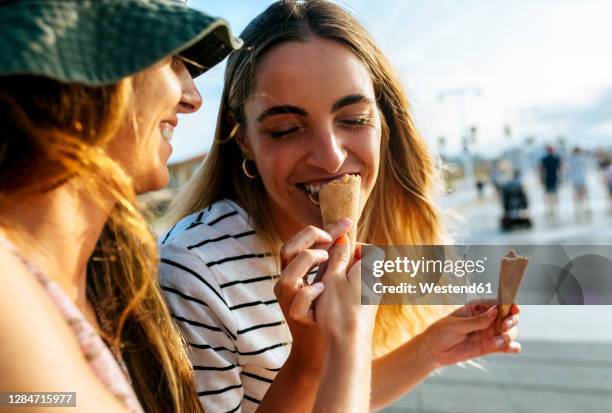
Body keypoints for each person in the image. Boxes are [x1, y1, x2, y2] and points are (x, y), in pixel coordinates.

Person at [160, 1, 521, 411]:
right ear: (242, 138)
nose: (330, 158)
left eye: (353, 120)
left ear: (384, 125)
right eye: (286, 129)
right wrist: (312, 359)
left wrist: (427, 351)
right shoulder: (193, 272)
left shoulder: (353, 247)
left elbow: (333, 397)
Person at [0, 1, 241, 412]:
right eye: (171, 59)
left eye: (356, 120)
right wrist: (341, 345)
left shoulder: (117, 282)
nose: (193, 98)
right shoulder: (198, 261)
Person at [567, 147, 590, 219]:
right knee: (584, 194)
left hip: (574, 179)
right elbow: (586, 168)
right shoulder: (581, 158)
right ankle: (585, 207)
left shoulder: (570, 159)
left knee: (576, 194)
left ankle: (577, 208)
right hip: (581, 178)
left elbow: (569, 170)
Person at [540, 145, 562, 216]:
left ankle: (551, 209)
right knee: (553, 194)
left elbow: (542, 170)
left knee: (549, 195)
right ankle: (554, 208)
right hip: (552, 178)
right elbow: (560, 169)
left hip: (548, 178)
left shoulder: (545, 159)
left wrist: (541, 179)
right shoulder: (555, 158)